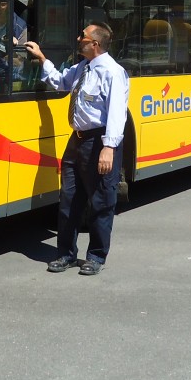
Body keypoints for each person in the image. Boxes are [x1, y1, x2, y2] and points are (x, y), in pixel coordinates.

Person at [25, 22, 130, 276]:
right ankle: (66, 254)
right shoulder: (83, 67)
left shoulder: (113, 72)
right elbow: (61, 81)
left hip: (98, 141)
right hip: (77, 140)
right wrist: (42, 59)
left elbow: (117, 113)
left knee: (101, 201)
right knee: (69, 199)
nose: (78, 38)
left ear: (95, 44)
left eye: (83, 36)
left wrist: (109, 148)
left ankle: (95, 256)